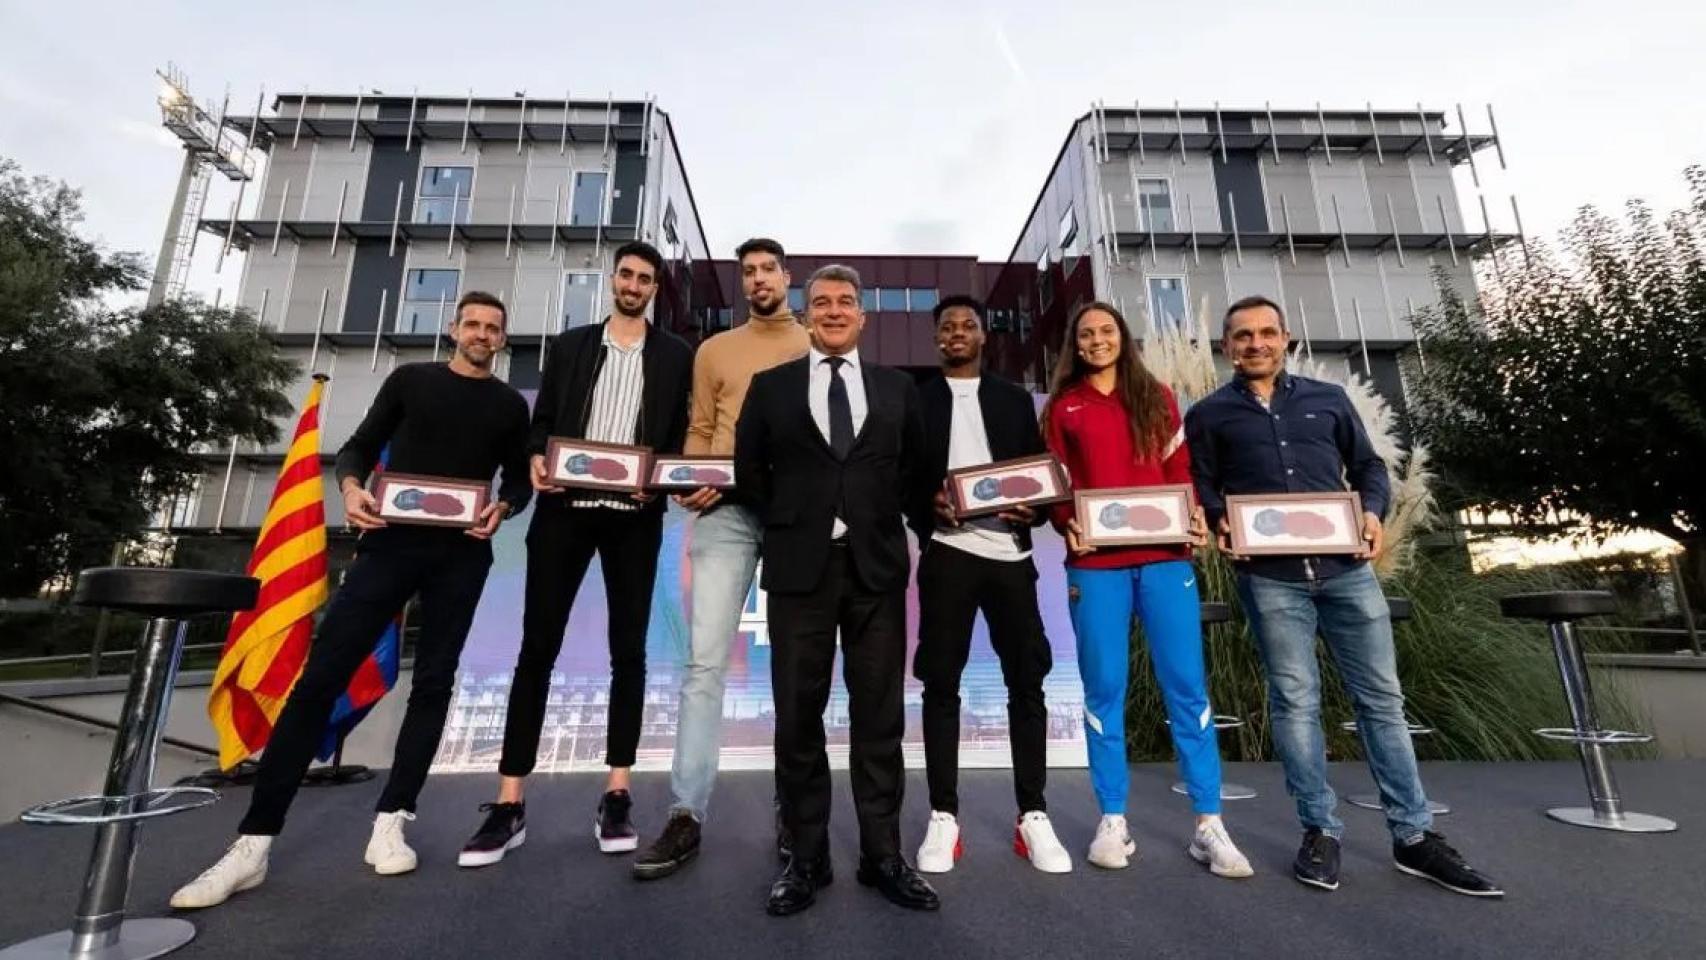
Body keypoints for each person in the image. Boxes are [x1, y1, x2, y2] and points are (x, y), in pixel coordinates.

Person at [171, 291, 531, 908]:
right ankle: (253, 843)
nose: (481, 334)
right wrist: (351, 487)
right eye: (472, 324)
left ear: (502, 339)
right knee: (319, 681)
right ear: (453, 330)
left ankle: (392, 821)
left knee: (434, 685)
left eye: (492, 328)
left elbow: (519, 479)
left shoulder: (507, 405)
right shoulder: (410, 381)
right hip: (387, 546)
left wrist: (504, 507)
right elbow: (359, 447)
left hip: (462, 556)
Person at [1185, 294, 1502, 897]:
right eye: (1242, 336)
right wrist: (1220, 516)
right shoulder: (1207, 414)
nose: (1255, 343)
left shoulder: (1329, 401)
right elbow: (1200, 484)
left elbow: (1369, 469)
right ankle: (1319, 830)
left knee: (1382, 700)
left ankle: (1414, 836)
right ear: (1227, 347)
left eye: (1266, 333)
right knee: (1296, 703)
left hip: (1348, 572)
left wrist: (1377, 514)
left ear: (1286, 338)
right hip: (1270, 579)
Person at [457, 241, 693, 867]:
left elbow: (673, 441)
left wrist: (662, 476)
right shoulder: (571, 345)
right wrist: (537, 457)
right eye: (626, 274)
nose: (634, 285)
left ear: (654, 290)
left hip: (634, 521)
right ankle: (509, 804)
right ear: (612, 280)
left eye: (645, 279)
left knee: (630, 656)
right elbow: (544, 424)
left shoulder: (676, 356)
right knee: (537, 651)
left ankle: (617, 794)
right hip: (564, 517)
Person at [734, 264, 938, 915]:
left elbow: (918, 473)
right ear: (806, 312)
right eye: (820, 302)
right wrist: (796, 523)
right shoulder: (770, 388)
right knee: (798, 719)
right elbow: (749, 473)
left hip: (877, 571)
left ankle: (883, 856)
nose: (832, 311)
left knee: (880, 718)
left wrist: (880, 521)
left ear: (862, 315)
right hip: (800, 573)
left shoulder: (899, 388)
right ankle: (807, 856)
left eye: (844, 302)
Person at [1043, 301, 1252, 878]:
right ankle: (1113, 819)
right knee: (1103, 690)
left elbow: (1180, 468)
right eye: (1085, 333)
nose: (1096, 340)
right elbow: (1056, 485)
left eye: (1106, 330)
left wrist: (1191, 515)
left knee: (1186, 688)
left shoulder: (1157, 394)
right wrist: (1068, 521)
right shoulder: (1065, 405)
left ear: (1122, 337)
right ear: (1075, 345)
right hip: (1096, 569)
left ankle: (1209, 824)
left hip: (1165, 561)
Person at [633, 238, 810, 880]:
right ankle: (686, 814)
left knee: (797, 668)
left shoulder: (816, 342)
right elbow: (700, 432)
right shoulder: (713, 351)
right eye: (748, 272)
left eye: (768, 269)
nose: (758, 278)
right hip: (725, 512)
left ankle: (795, 814)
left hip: (795, 515)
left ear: (787, 277)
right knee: (704, 664)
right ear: (742, 283)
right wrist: (691, 478)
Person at [911, 295, 1072, 875]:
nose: (957, 333)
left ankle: (1033, 815)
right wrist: (925, 508)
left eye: (968, 325)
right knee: (940, 684)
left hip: (1010, 557)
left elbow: (1035, 474)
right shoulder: (917, 399)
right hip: (947, 554)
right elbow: (903, 475)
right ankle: (943, 817)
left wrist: (1034, 508)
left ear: (983, 336)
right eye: (947, 327)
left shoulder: (1009, 399)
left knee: (1027, 681)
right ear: (937, 340)